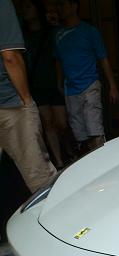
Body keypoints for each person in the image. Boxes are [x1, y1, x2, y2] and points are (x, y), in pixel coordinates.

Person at [0, 0, 56, 193]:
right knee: (40, 180)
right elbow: (10, 56)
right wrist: (27, 101)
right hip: (8, 102)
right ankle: (57, 222)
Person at [54, 0, 119, 154]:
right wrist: (59, 82)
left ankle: (103, 162)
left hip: (90, 84)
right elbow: (57, 60)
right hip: (70, 88)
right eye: (58, 5)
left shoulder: (90, 31)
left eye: (63, 4)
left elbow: (103, 58)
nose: (59, 8)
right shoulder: (58, 34)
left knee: (94, 129)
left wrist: (113, 86)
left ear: (74, 6)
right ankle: (89, 165)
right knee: (80, 134)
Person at [19, 0, 75, 168]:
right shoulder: (22, 35)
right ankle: (58, 161)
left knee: (62, 124)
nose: (24, 10)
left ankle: (70, 151)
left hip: (54, 83)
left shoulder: (52, 31)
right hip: (36, 84)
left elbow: (63, 51)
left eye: (28, 6)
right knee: (48, 123)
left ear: (37, 10)